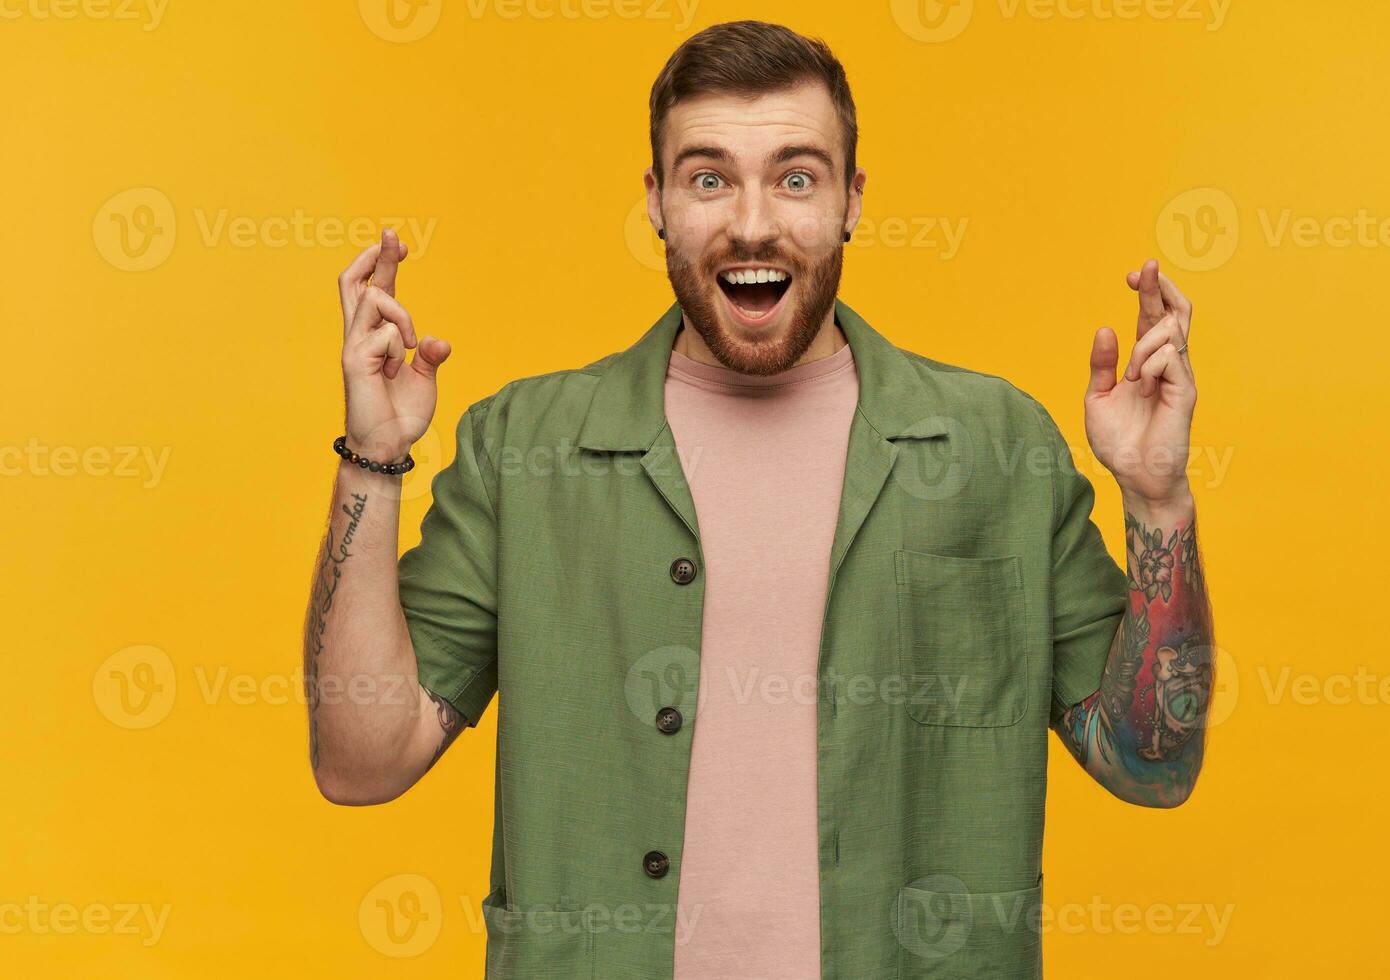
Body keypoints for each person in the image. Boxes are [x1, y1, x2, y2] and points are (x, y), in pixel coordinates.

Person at [303, 19, 1215, 979]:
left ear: (852, 200)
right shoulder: (526, 451)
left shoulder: (996, 451)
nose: (751, 223)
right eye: (707, 178)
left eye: (795, 176)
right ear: (655, 202)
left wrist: (1157, 503)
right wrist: (371, 458)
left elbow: (1149, 765)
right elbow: (361, 761)